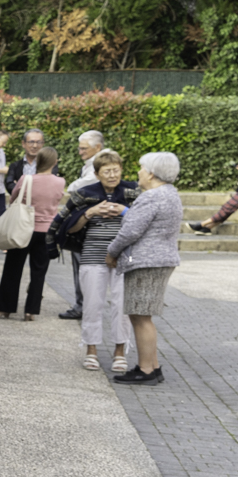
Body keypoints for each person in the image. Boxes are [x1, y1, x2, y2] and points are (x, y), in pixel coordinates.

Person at [55, 149, 137, 371]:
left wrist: (124, 211)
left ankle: (120, 351)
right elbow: (68, 226)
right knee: (92, 304)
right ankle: (91, 349)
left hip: (125, 256)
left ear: (121, 170)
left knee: (123, 305)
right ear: (97, 173)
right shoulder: (85, 194)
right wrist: (89, 213)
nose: (112, 175)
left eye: (116, 170)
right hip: (92, 255)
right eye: (107, 171)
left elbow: (143, 222)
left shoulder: (133, 191)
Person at [106, 153, 184, 386]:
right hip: (160, 259)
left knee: (140, 316)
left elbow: (130, 231)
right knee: (143, 314)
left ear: (151, 173)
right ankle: (154, 366)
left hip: (146, 261)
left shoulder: (151, 197)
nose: (138, 172)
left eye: (141, 168)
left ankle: (146, 369)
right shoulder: (170, 193)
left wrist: (112, 252)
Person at [0, 147, 67, 321]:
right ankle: (31, 311)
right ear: (55, 162)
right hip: (47, 231)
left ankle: (4, 308)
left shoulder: (26, 179)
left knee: (12, 269)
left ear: (37, 161)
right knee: (39, 272)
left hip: (24, 229)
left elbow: (14, 197)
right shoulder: (60, 182)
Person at [55, 130, 108, 320]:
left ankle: (83, 307)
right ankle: (84, 305)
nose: (79, 151)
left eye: (84, 148)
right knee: (83, 268)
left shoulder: (101, 164)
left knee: (85, 268)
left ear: (98, 148)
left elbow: (76, 187)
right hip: (86, 223)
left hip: (89, 226)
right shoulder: (92, 164)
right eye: (79, 147)